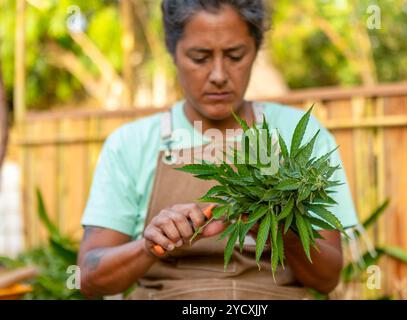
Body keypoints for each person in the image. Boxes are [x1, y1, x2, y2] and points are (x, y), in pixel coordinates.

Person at [78, 0, 359, 300]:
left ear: (256, 50)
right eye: (200, 58)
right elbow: (89, 278)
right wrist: (149, 246)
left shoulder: (300, 135)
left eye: (235, 55)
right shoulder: (130, 144)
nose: (218, 75)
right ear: (173, 52)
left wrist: (280, 228)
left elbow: (327, 278)